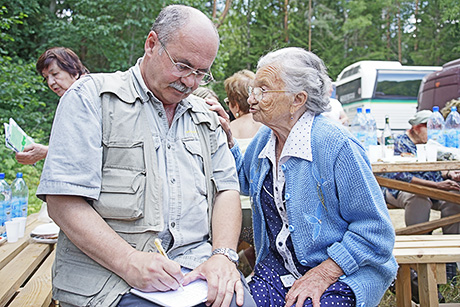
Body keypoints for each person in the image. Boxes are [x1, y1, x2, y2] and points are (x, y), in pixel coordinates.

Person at [36, 5, 256, 307]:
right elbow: (62, 202)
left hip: (197, 270)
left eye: (201, 73)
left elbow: (227, 190)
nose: (190, 82)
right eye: (182, 66)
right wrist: (128, 261)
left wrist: (222, 255)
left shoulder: (205, 116)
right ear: (151, 44)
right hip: (111, 281)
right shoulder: (91, 99)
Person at [220, 47, 397, 306]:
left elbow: (376, 232)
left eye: (263, 90)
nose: (252, 100)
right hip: (278, 270)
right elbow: (243, 181)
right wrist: (227, 141)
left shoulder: (336, 145)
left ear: (297, 99)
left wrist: (324, 272)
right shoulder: (264, 139)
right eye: (252, 90)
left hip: (344, 271)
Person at [383, 110, 460, 281]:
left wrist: (449, 175)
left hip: (435, 187)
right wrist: (435, 185)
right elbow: (400, 176)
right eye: (430, 128)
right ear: (417, 128)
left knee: (454, 199)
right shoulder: (399, 142)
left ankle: (450, 261)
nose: (434, 132)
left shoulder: (433, 142)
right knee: (419, 199)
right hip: (402, 188)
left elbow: (440, 166)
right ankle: (418, 261)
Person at [15, 47, 89, 165]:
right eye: (46, 78)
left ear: (74, 71)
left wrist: (46, 152)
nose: (50, 82)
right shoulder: (75, 95)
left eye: (55, 74)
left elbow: (90, 149)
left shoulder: (85, 96)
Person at [223, 70, 262, 274]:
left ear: (234, 104)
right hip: (261, 210)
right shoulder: (267, 128)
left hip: (234, 210)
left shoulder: (228, 129)